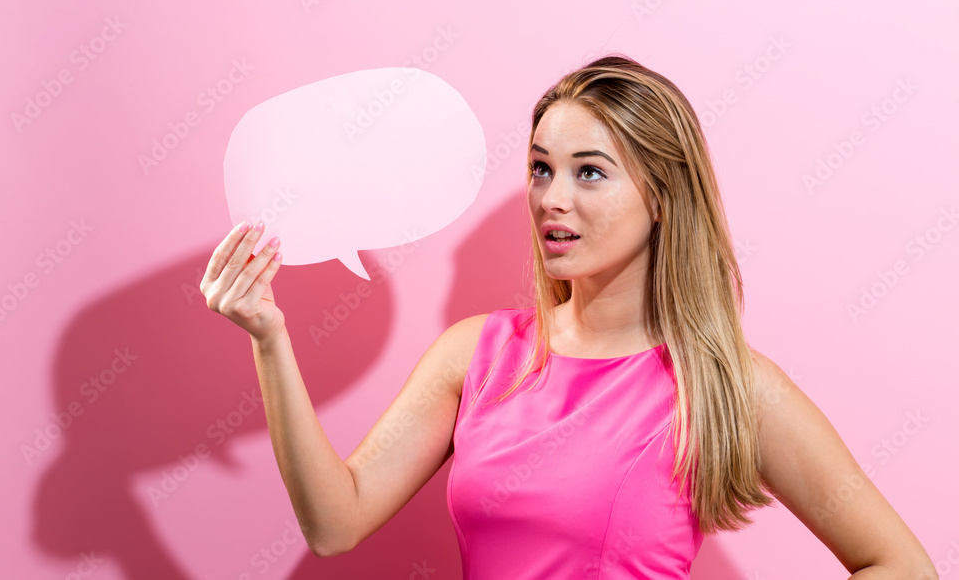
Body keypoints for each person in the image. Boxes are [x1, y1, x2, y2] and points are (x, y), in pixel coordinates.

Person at [200, 55, 938, 579]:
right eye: (540, 167)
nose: (553, 197)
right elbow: (336, 523)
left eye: (589, 171)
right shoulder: (476, 356)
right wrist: (271, 338)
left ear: (661, 193)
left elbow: (900, 563)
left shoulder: (724, 384)